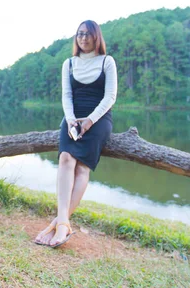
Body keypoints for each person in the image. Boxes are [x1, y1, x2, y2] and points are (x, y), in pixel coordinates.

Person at [34, 20, 117, 248]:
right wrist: (71, 119)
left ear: (96, 37)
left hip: (98, 118)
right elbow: (66, 96)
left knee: (82, 167)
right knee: (65, 158)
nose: (83, 38)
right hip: (72, 116)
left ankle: (58, 225)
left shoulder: (107, 62)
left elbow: (110, 97)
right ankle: (63, 224)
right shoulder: (68, 63)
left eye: (88, 34)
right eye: (79, 34)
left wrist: (90, 121)